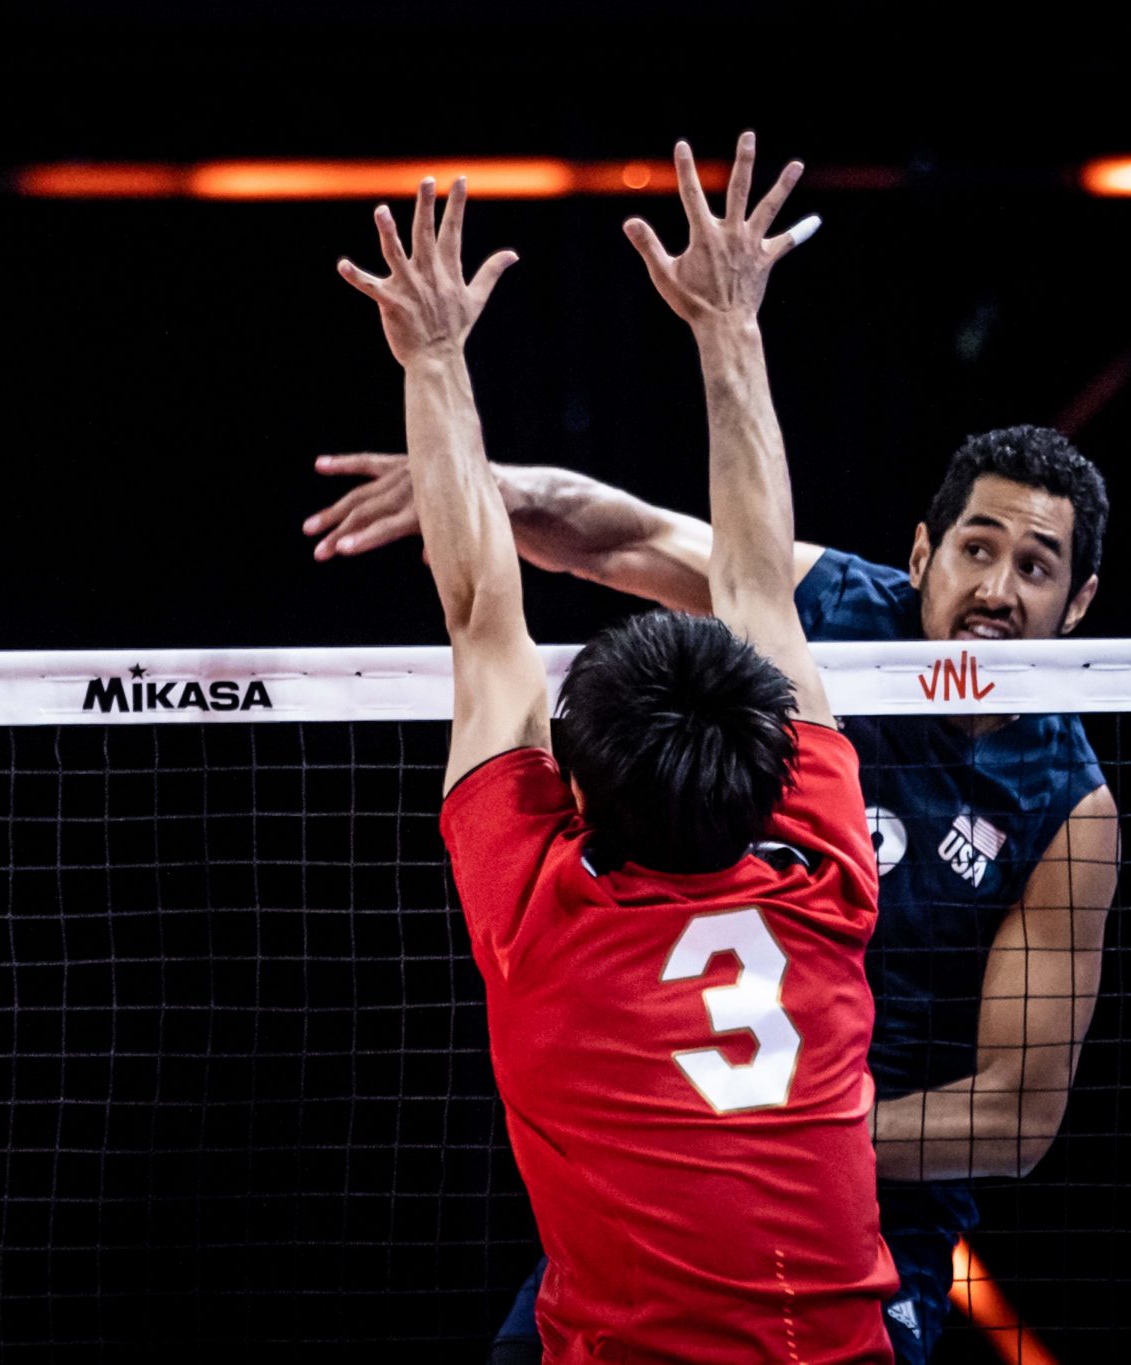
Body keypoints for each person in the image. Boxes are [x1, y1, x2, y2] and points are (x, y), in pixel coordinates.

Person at [307, 179, 1119, 1365]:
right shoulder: (831, 820)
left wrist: (437, 370)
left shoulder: (1064, 807)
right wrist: (505, 481)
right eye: (977, 548)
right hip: (740, 1158)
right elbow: (679, 552)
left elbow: (1015, 1115)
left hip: (850, 1204)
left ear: (1077, 601)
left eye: (1034, 567)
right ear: (919, 551)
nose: (995, 589)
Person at [336, 136, 896, 1362]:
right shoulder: (823, 873)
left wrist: (430, 357)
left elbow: (481, 609)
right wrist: (728, 327)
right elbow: (754, 584)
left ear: (575, 794)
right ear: (770, 775)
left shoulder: (544, 921)